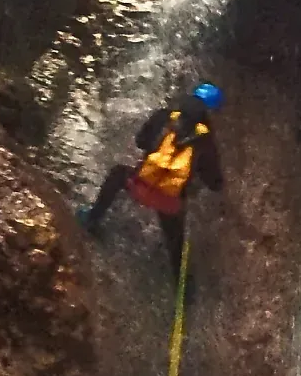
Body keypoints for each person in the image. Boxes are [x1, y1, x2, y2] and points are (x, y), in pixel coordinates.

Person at [79, 83, 225, 282]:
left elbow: (140, 141)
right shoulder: (205, 142)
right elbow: (215, 183)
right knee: (177, 242)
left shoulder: (164, 116)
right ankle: (182, 283)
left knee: (117, 173)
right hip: (168, 205)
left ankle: (91, 218)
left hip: (138, 185)